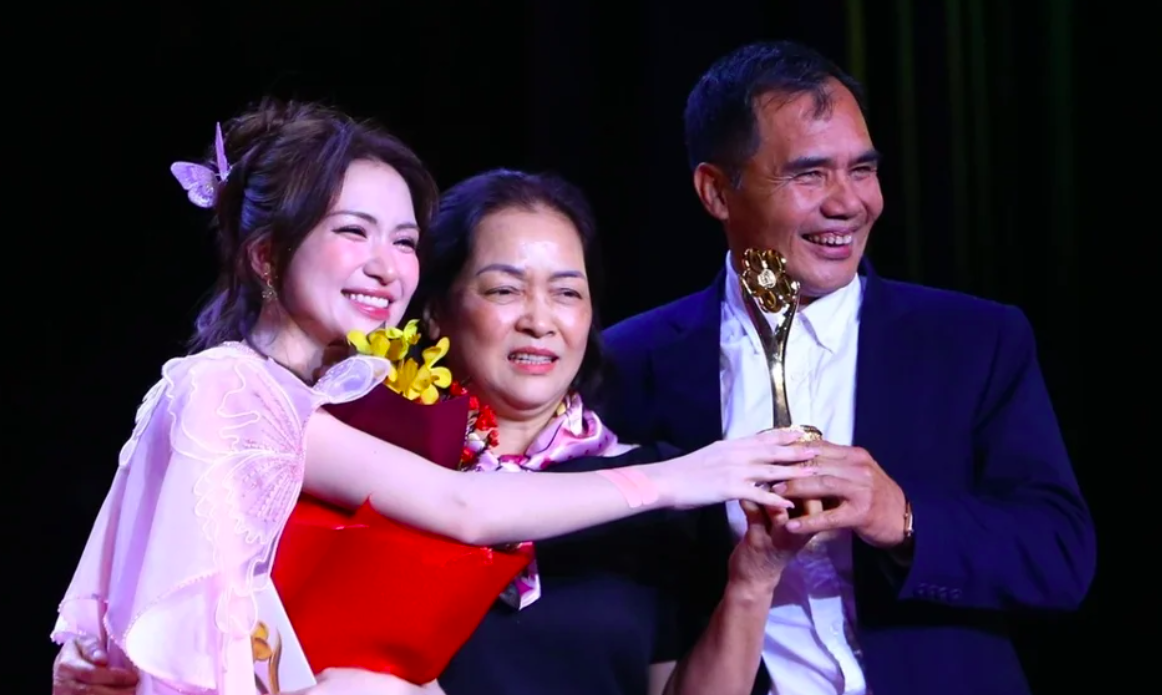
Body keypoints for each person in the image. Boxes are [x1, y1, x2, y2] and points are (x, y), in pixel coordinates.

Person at [50, 100, 818, 695]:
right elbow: (462, 505)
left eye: (404, 240)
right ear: (266, 253)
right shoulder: (240, 390)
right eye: (353, 231)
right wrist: (685, 475)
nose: (386, 265)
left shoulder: (322, 400)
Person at [599, 40, 1096, 695]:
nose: (850, 203)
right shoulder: (629, 364)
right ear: (717, 191)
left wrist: (902, 517)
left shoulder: (974, 340)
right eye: (809, 175)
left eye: (862, 169)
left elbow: (1059, 555)